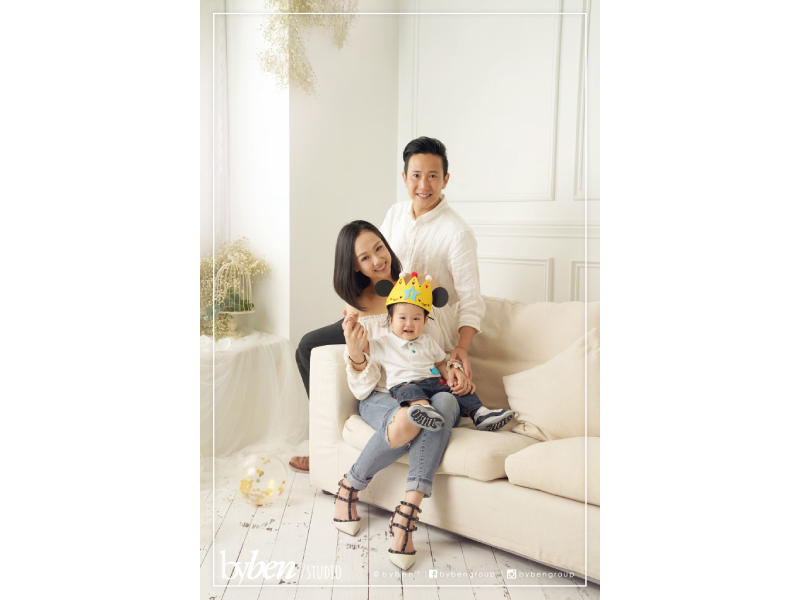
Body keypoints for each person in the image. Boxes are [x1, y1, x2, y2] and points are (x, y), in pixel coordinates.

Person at [290, 136, 484, 474]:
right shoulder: (395, 214)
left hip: (421, 323)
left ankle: (395, 413)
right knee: (308, 346)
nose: (424, 185)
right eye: (416, 175)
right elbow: (365, 255)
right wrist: (353, 305)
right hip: (379, 313)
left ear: (445, 180)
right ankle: (321, 442)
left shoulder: (457, 232)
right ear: (405, 177)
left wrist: (462, 348)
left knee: (379, 362)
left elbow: (470, 300)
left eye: (433, 176)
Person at [327, 226, 471, 571]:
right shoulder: (357, 310)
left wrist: (454, 369)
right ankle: (356, 489)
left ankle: (404, 510)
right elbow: (361, 388)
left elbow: (437, 350)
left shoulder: (415, 288)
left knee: (444, 404)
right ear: (354, 266)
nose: (378, 260)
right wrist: (356, 354)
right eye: (365, 257)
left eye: (379, 248)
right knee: (411, 417)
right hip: (383, 395)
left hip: (429, 389)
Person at [343, 272, 514, 431]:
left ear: (425, 321)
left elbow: (440, 363)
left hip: (433, 382)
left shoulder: (428, 341)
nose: (409, 324)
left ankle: (480, 414)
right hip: (405, 384)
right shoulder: (385, 342)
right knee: (410, 391)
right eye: (402, 318)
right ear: (391, 319)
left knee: (459, 390)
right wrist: (352, 326)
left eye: (416, 319)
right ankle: (423, 410)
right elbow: (363, 346)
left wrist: (451, 378)